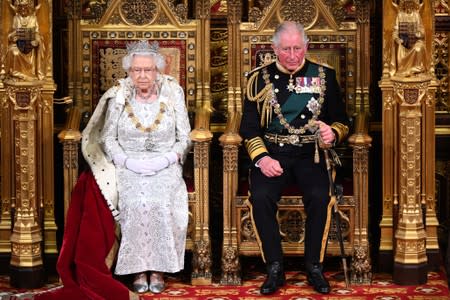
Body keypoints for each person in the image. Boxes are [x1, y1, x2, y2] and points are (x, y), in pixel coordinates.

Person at [38, 40, 192, 299]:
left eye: (148, 70)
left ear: (158, 70)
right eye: (136, 70)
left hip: (164, 163)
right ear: (129, 72)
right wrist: (127, 162)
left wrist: (165, 160)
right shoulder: (118, 95)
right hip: (128, 163)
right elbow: (108, 138)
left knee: (160, 199)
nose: (142, 76)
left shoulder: (173, 92)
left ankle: (158, 269)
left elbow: (185, 136)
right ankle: (137, 270)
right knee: (134, 200)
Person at [239, 21, 349, 295]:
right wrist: (262, 158)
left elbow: (342, 121)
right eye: (285, 49)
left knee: (320, 195)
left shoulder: (324, 76)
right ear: (274, 48)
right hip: (273, 153)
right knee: (261, 196)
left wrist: (332, 132)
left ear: (306, 47)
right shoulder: (258, 79)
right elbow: (249, 128)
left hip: (310, 154)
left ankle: (314, 266)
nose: (291, 55)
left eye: (297, 48)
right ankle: (274, 267)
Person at [6, 0, 46, 80]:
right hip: (18, 44)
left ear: (28, 8)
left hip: (30, 46)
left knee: (29, 48)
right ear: (18, 8)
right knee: (13, 52)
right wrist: (13, 37)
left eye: (25, 7)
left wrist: (37, 41)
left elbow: (37, 33)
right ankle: (16, 74)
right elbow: (12, 34)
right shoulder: (16, 18)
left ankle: (30, 74)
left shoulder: (33, 18)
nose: (23, 9)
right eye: (21, 7)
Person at [391, 0, 427, 77]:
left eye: (410, 3)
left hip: (416, 41)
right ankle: (402, 70)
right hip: (403, 41)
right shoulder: (400, 15)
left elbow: (422, 30)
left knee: (419, 48)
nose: (408, 5)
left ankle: (416, 70)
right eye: (407, 3)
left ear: (413, 4)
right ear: (404, 4)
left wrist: (419, 34)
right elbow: (395, 30)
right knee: (400, 48)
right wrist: (397, 39)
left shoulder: (416, 15)